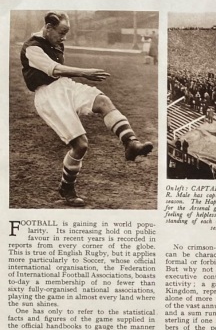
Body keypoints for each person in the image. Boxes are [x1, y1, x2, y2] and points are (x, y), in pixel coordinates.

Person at [21, 12, 154, 206]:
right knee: (80, 145)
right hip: (48, 96)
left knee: (103, 102)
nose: (64, 37)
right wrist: (84, 72)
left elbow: (59, 74)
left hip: (64, 85)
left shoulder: (54, 42)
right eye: (61, 32)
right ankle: (66, 187)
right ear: (48, 28)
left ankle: (130, 143)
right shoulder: (32, 47)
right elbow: (54, 68)